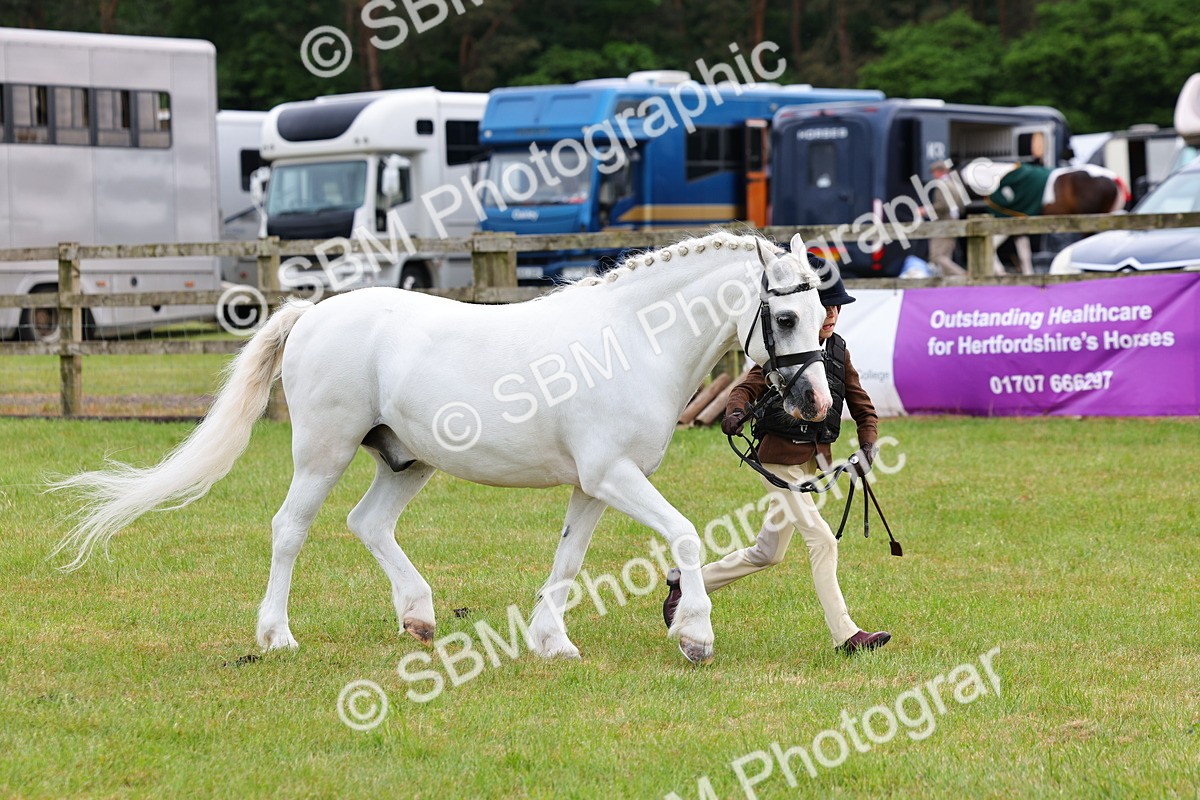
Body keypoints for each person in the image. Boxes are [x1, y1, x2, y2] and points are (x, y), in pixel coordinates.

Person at [663, 273, 891, 654]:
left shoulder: (838, 351)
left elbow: (863, 407)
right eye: (826, 307)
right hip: (779, 464)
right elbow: (744, 389)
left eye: (836, 308)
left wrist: (868, 445)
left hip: (811, 464)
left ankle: (687, 581)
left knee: (768, 553)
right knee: (822, 541)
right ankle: (847, 635)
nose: (832, 314)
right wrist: (735, 412)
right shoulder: (785, 351)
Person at [926, 159, 965, 276]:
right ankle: (946, 285)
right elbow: (961, 206)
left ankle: (962, 274)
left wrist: (926, 210)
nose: (933, 175)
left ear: (939, 171)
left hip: (944, 223)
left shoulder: (942, 185)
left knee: (937, 256)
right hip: (954, 222)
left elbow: (943, 206)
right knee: (946, 255)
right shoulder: (955, 184)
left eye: (934, 172)